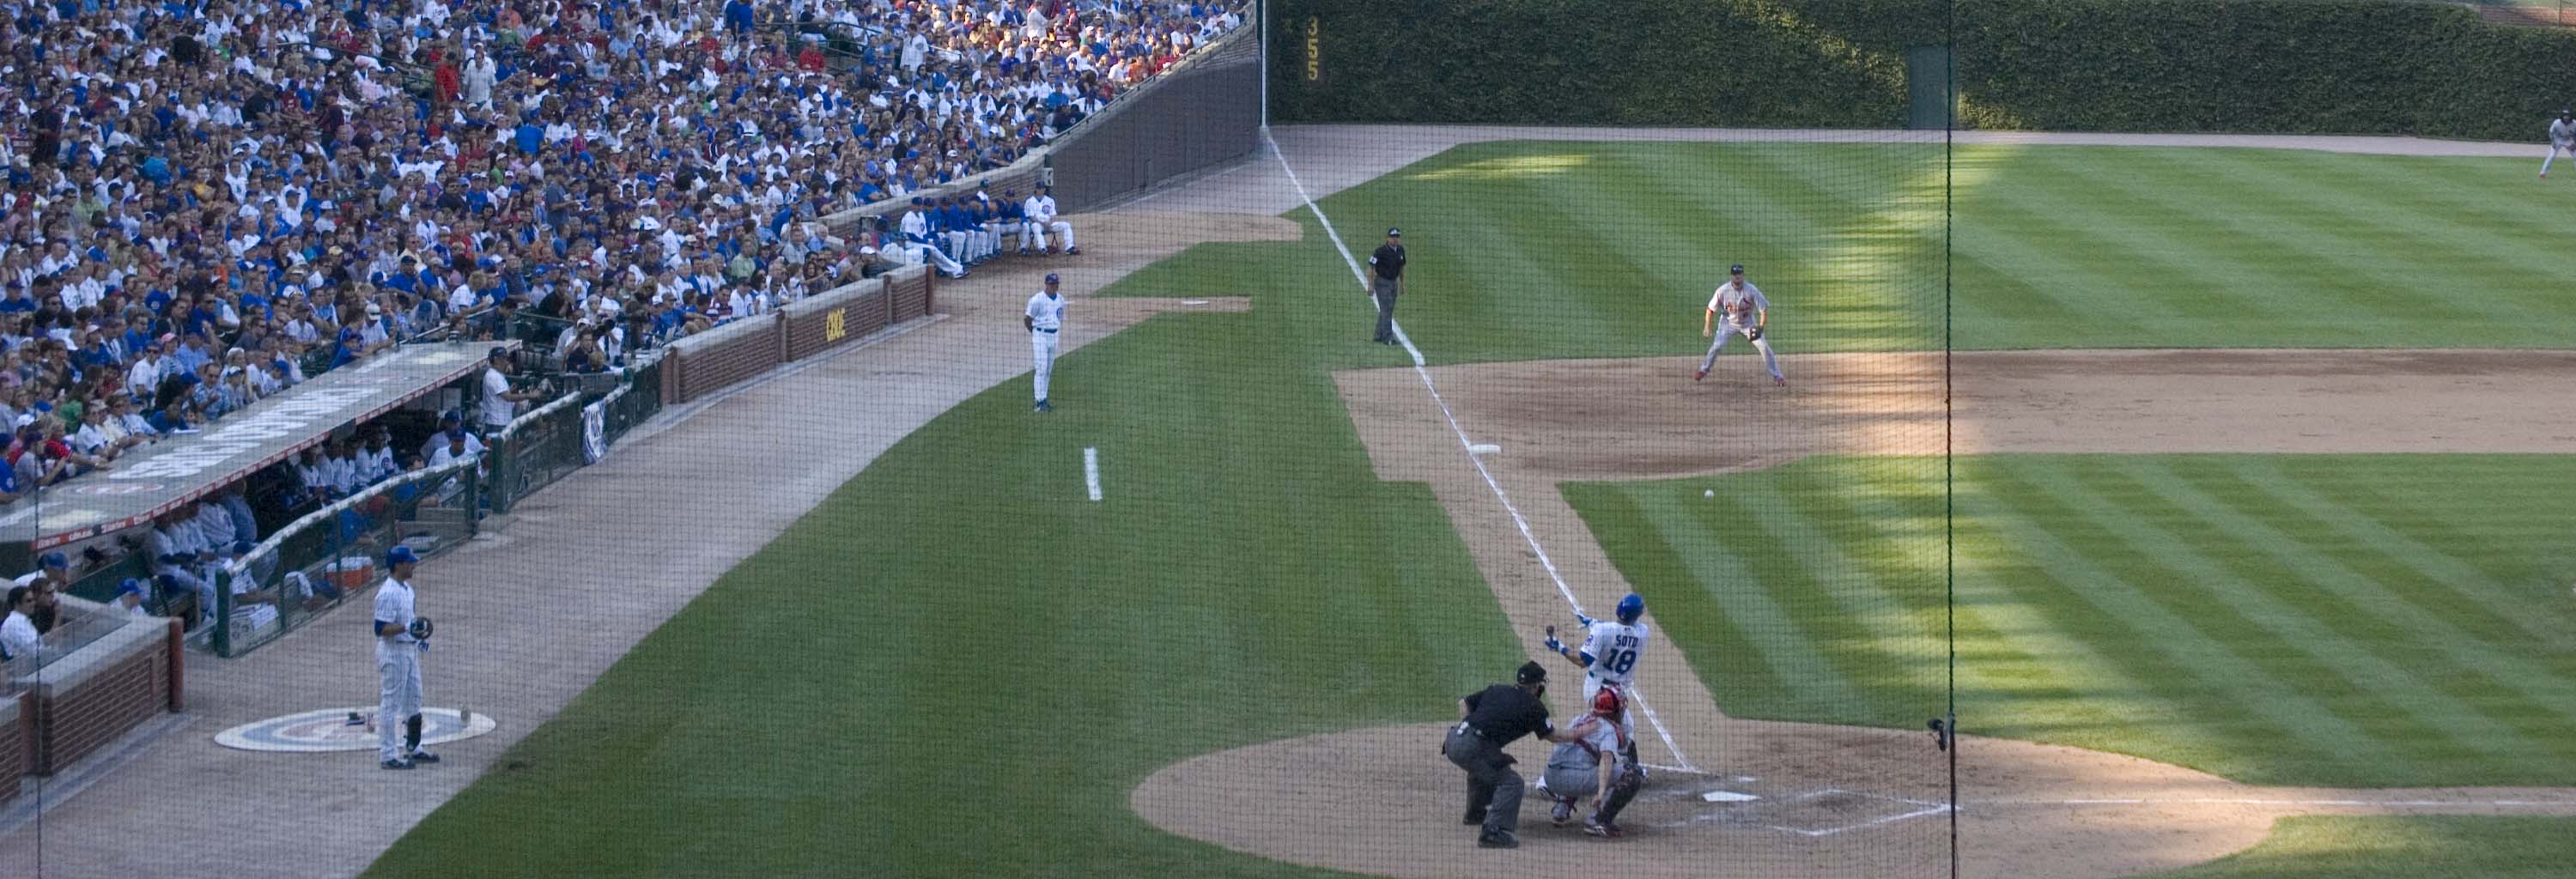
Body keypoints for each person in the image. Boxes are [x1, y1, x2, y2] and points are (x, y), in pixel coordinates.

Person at [1443, 660, 1581, 849]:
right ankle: (1494, 832)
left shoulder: (1498, 689)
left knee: (1485, 766)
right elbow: (1554, 736)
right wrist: (1582, 732)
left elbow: (1464, 703)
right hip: (1471, 746)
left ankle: (1476, 814)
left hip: (1452, 740)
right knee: (1512, 783)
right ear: (1536, 686)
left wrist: (1470, 728)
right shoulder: (1534, 707)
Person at [1544, 592, 1652, 779]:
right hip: (1601, 692)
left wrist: (1560, 648)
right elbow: (1621, 631)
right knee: (1603, 732)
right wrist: (1595, 623)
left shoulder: (1603, 631)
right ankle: (1567, 772)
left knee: (1624, 730)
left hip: (1602, 687)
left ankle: (1631, 770)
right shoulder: (1643, 633)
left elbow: (1582, 661)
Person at [1534, 687, 1644, 838]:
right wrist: (1600, 792)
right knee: (1632, 773)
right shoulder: (1608, 730)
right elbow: (1606, 759)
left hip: (1550, 776)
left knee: (1583, 760)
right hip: (1569, 780)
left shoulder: (1580, 719)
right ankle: (1598, 820)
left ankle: (1562, 809)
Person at [374, 546, 438, 770]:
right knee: (390, 703)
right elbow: (380, 629)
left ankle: (414, 748)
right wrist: (406, 628)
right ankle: (388, 755)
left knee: (414, 699)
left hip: (409, 651)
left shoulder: (408, 590)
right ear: (398, 565)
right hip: (393, 653)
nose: (413, 565)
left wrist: (418, 638)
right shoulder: (387, 593)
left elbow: (410, 623)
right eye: (409, 562)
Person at [1695, 264, 1787, 386]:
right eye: (1734, 274)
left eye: (1739, 274)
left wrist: (1760, 327)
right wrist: (1707, 326)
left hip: (1748, 323)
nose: (1737, 277)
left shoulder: (1752, 290)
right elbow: (1710, 310)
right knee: (1717, 346)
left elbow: (1763, 310)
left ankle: (1778, 376)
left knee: (1764, 346)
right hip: (1727, 323)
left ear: (1743, 275)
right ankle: (1703, 370)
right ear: (1731, 276)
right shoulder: (1722, 291)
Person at [1024, 274, 1066, 413]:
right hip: (1040, 335)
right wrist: (1036, 334)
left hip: (1054, 335)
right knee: (1041, 368)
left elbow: (1060, 317)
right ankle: (1039, 401)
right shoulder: (1037, 300)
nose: (1054, 286)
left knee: (1048, 369)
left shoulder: (1060, 299)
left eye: (1056, 284)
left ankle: (1044, 399)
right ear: (1046, 284)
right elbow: (1028, 319)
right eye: (1052, 284)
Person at [478, 347, 544, 432]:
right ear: (496, 360)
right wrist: (529, 396)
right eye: (504, 358)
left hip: (502, 421)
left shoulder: (497, 375)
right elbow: (508, 397)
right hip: (497, 423)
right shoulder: (493, 376)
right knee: (501, 445)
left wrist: (509, 390)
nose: (507, 362)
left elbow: (501, 395)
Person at [1368, 228, 1405, 345]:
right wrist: (1370, 285)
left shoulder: (1400, 250)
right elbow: (1371, 267)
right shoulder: (1380, 251)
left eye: (1397, 237)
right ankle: (1388, 337)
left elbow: (1402, 268)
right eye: (1393, 236)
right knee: (1386, 309)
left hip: (1393, 283)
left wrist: (1402, 284)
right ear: (1388, 238)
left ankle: (1378, 335)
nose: (1395, 239)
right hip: (1382, 282)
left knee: (1387, 310)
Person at [1024, 185, 1077, 255]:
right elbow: (1031, 217)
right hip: (1038, 224)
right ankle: (1043, 249)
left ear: (1044, 189)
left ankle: (1069, 248)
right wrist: (1043, 223)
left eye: (1042, 188)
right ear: (1036, 189)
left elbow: (1053, 214)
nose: (1041, 190)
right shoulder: (1029, 201)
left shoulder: (1050, 200)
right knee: (1035, 226)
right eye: (1039, 188)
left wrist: (1050, 222)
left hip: (1049, 224)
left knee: (1066, 225)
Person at [0, 585, 42, 666]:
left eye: (34, 600)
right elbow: (33, 651)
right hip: (22, 670)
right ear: (17, 604)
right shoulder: (14, 623)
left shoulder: (23, 621)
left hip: (32, 665)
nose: (34, 603)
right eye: (29, 601)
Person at [2547, 110, 2575, 179]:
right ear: (2562, 116)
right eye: (2565, 116)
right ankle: (2543, 173)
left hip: (2569, 140)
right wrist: (2553, 141)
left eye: (2568, 116)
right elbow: (2551, 132)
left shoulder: (2574, 123)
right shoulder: (2556, 123)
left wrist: (2575, 143)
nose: (2566, 117)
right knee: (2552, 156)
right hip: (2557, 140)